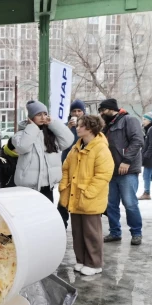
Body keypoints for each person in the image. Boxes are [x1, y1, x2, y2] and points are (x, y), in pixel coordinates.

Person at [60, 115, 114, 276]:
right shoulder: (76, 147)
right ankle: (81, 260)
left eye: (81, 126)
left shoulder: (101, 148)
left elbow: (103, 174)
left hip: (89, 198)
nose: (78, 128)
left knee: (92, 233)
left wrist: (88, 192)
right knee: (77, 232)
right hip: (74, 197)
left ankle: (95, 263)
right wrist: (64, 186)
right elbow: (66, 168)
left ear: (90, 128)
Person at [99, 98, 144, 245]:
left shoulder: (129, 120)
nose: (101, 113)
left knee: (130, 203)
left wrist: (126, 161)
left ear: (111, 109)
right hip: (110, 170)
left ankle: (136, 233)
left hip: (127, 170)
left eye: (103, 110)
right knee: (111, 204)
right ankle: (115, 232)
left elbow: (138, 140)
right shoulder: (106, 124)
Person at [12, 100, 74, 202]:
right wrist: (32, 127)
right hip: (29, 186)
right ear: (31, 117)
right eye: (38, 114)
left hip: (48, 185)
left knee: (46, 216)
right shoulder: (21, 134)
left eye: (45, 114)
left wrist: (53, 124)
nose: (43, 117)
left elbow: (68, 141)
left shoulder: (51, 134)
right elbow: (23, 147)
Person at [58, 99, 86, 228]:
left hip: (82, 165)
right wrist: (68, 127)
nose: (77, 113)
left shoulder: (88, 127)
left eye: (79, 110)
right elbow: (59, 142)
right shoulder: (65, 126)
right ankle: (62, 223)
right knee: (64, 193)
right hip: (67, 164)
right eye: (74, 111)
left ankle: (79, 222)